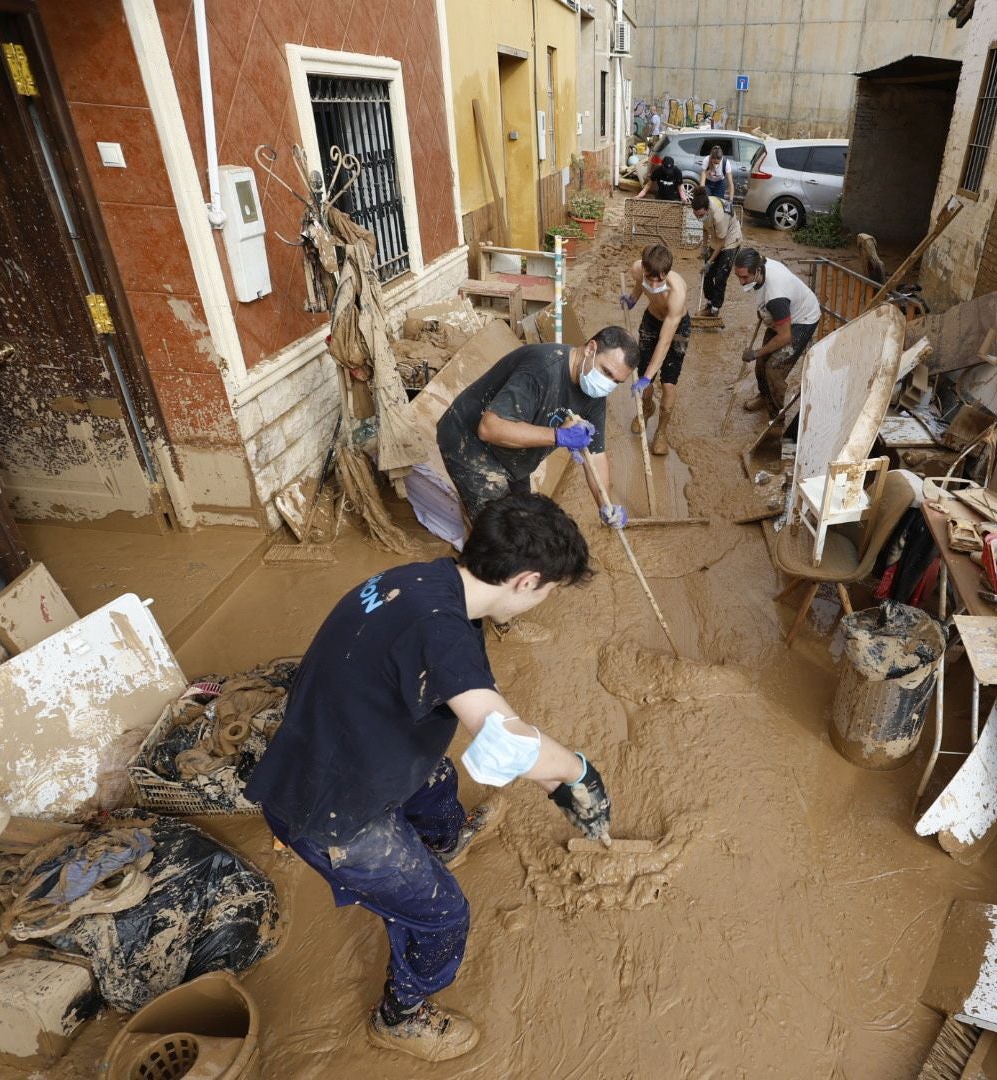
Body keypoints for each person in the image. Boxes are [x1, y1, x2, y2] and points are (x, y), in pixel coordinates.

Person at [244, 492, 612, 1063]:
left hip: (333, 739)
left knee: (437, 773)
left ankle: (445, 840)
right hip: (328, 806)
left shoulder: (423, 579)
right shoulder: (442, 633)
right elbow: (505, 741)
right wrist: (575, 772)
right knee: (442, 914)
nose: (545, 601)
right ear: (526, 581)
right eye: (550, 591)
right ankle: (402, 1015)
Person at [436, 326, 635, 528]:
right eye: (606, 372)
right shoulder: (542, 369)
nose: (607, 384)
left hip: (515, 456)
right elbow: (489, 428)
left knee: (525, 521)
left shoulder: (595, 394)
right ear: (590, 349)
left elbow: (595, 454)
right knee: (498, 534)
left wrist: (605, 505)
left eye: (616, 382)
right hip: (469, 446)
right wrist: (559, 436)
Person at [620, 243, 691, 456]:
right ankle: (647, 407)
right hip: (651, 320)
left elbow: (665, 342)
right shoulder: (637, 270)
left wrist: (649, 376)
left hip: (676, 328)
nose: (653, 283)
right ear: (643, 268)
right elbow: (640, 285)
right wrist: (632, 299)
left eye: (659, 279)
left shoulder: (677, 292)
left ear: (666, 273)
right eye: (649, 277)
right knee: (645, 382)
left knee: (668, 384)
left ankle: (661, 431)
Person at [733, 248, 822, 415]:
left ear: (757, 270)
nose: (741, 282)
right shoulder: (761, 263)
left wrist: (755, 353)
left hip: (801, 320)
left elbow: (785, 336)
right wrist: (762, 311)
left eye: (744, 277)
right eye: (738, 276)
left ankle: (776, 418)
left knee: (774, 369)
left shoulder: (776, 297)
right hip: (782, 314)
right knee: (761, 365)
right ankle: (764, 396)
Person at [691, 189, 743, 317]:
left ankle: (715, 309)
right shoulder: (701, 209)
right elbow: (705, 229)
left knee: (720, 276)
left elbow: (722, 242)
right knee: (707, 274)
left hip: (730, 240)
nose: (699, 217)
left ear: (707, 210)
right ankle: (709, 304)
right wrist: (704, 248)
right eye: (696, 215)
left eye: (701, 215)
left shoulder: (718, 215)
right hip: (716, 238)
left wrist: (709, 262)